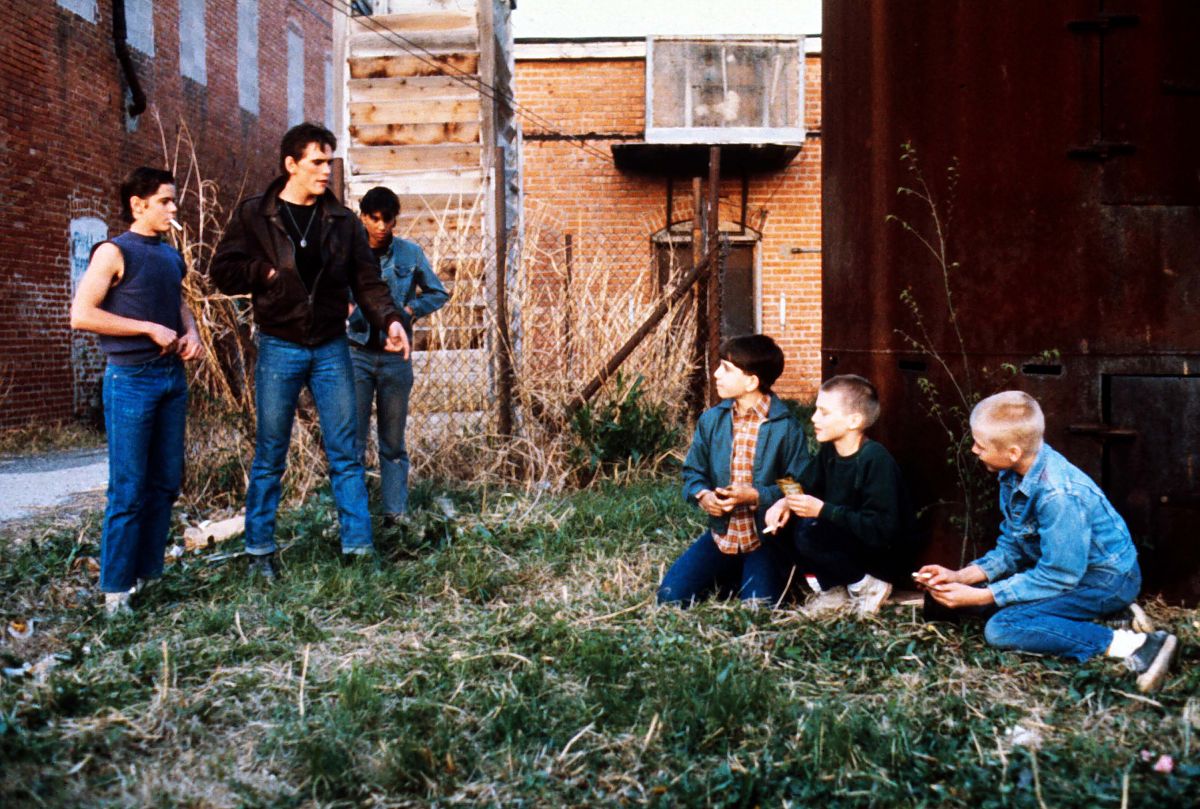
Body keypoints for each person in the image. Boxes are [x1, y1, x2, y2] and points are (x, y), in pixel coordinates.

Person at [210, 122, 409, 578]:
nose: (325, 171)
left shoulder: (342, 222)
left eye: (328, 161)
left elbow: (369, 284)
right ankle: (259, 552)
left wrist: (392, 320)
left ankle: (358, 549)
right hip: (279, 345)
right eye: (316, 162)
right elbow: (223, 269)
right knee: (270, 453)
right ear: (291, 165)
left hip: (331, 347)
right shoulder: (255, 215)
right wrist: (264, 274)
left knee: (346, 452)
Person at [915, 391, 1178, 693]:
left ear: (1012, 452)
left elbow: (1059, 574)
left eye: (980, 445)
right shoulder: (1014, 473)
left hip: (1106, 580)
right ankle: (1105, 618)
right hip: (1068, 573)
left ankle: (1139, 644)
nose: (974, 450)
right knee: (958, 600)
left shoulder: (1058, 494)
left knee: (1002, 627)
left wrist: (982, 596)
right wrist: (960, 576)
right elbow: (1013, 546)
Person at [70, 167, 204, 615]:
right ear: (137, 204)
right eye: (164, 201)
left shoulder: (168, 255)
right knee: (128, 489)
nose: (172, 209)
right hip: (130, 381)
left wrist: (192, 333)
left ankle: (147, 577)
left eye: (173, 201)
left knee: (165, 483)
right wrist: (147, 328)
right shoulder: (112, 252)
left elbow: (178, 300)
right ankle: (115, 592)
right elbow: (82, 314)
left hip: (171, 379)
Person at [657, 335, 810, 607]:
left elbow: (796, 486)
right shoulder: (712, 420)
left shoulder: (785, 427)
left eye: (726, 369)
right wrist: (703, 495)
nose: (716, 374)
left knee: (757, 608)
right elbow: (693, 471)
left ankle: (767, 572)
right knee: (670, 597)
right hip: (722, 536)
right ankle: (731, 572)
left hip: (764, 540)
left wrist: (756, 496)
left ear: (751, 381)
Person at [765, 375, 915, 616]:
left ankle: (869, 587)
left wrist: (822, 510)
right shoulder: (829, 452)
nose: (813, 418)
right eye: (815, 410)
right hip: (843, 538)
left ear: (854, 420)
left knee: (809, 530)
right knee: (776, 523)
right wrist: (783, 502)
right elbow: (802, 482)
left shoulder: (875, 459)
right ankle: (832, 590)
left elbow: (882, 529)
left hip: (879, 555)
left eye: (823, 412)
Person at [349, 186, 449, 523]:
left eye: (386, 219)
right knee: (353, 442)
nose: (380, 226)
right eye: (373, 218)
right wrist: (347, 309)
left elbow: (438, 292)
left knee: (392, 442)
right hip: (357, 355)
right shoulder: (347, 252)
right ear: (363, 217)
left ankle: (395, 514)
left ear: (395, 220)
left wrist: (409, 309)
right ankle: (355, 517)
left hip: (395, 358)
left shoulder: (409, 254)